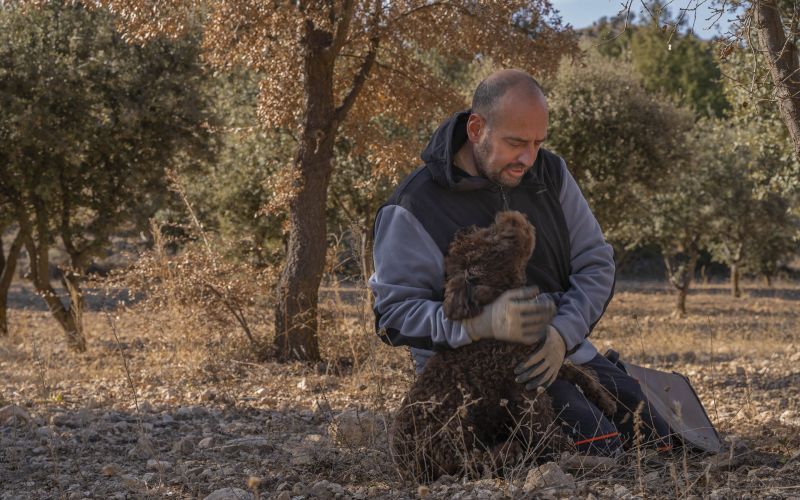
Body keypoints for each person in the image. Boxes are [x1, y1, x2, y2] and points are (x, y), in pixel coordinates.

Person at [368, 68, 672, 457]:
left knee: (664, 443)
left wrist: (562, 334)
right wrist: (480, 325)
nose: (528, 158)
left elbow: (596, 263)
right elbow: (393, 314)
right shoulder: (413, 205)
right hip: (478, 378)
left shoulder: (552, 173)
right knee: (600, 450)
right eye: (515, 142)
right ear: (476, 128)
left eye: (537, 143)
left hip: (565, 354)